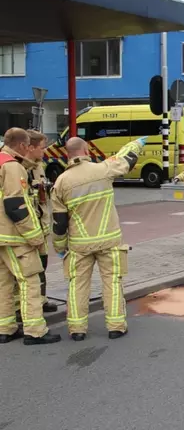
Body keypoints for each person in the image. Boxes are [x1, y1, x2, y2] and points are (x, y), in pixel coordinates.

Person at [51, 136, 146, 341]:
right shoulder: (102, 170)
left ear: (67, 154)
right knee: (111, 282)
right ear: (86, 151)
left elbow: (58, 222)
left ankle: (77, 330)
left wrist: (59, 246)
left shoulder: (61, 182)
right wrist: (137, 144)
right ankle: (116, 326)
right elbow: (125, 160)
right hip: (108, 240)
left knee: (77, 285)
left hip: (79, 244)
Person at [0, 128, 60, 345]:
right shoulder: (13, 167)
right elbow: (15, 205)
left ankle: (5, 329)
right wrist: (34, 237)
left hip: (1, 237)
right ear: (23, 145)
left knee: (4, 283)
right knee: (30, 281)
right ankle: (35, 331)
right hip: (15, 236)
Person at [25, 130, 57, 313]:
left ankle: (42, 299)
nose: (45, 151)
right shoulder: (19, 167)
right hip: (28, 228)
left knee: (42, 264)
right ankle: (22, 308)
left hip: (42, 224)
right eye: (42, 148)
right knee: (29, 269)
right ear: (30, 147)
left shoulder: (38, 165)